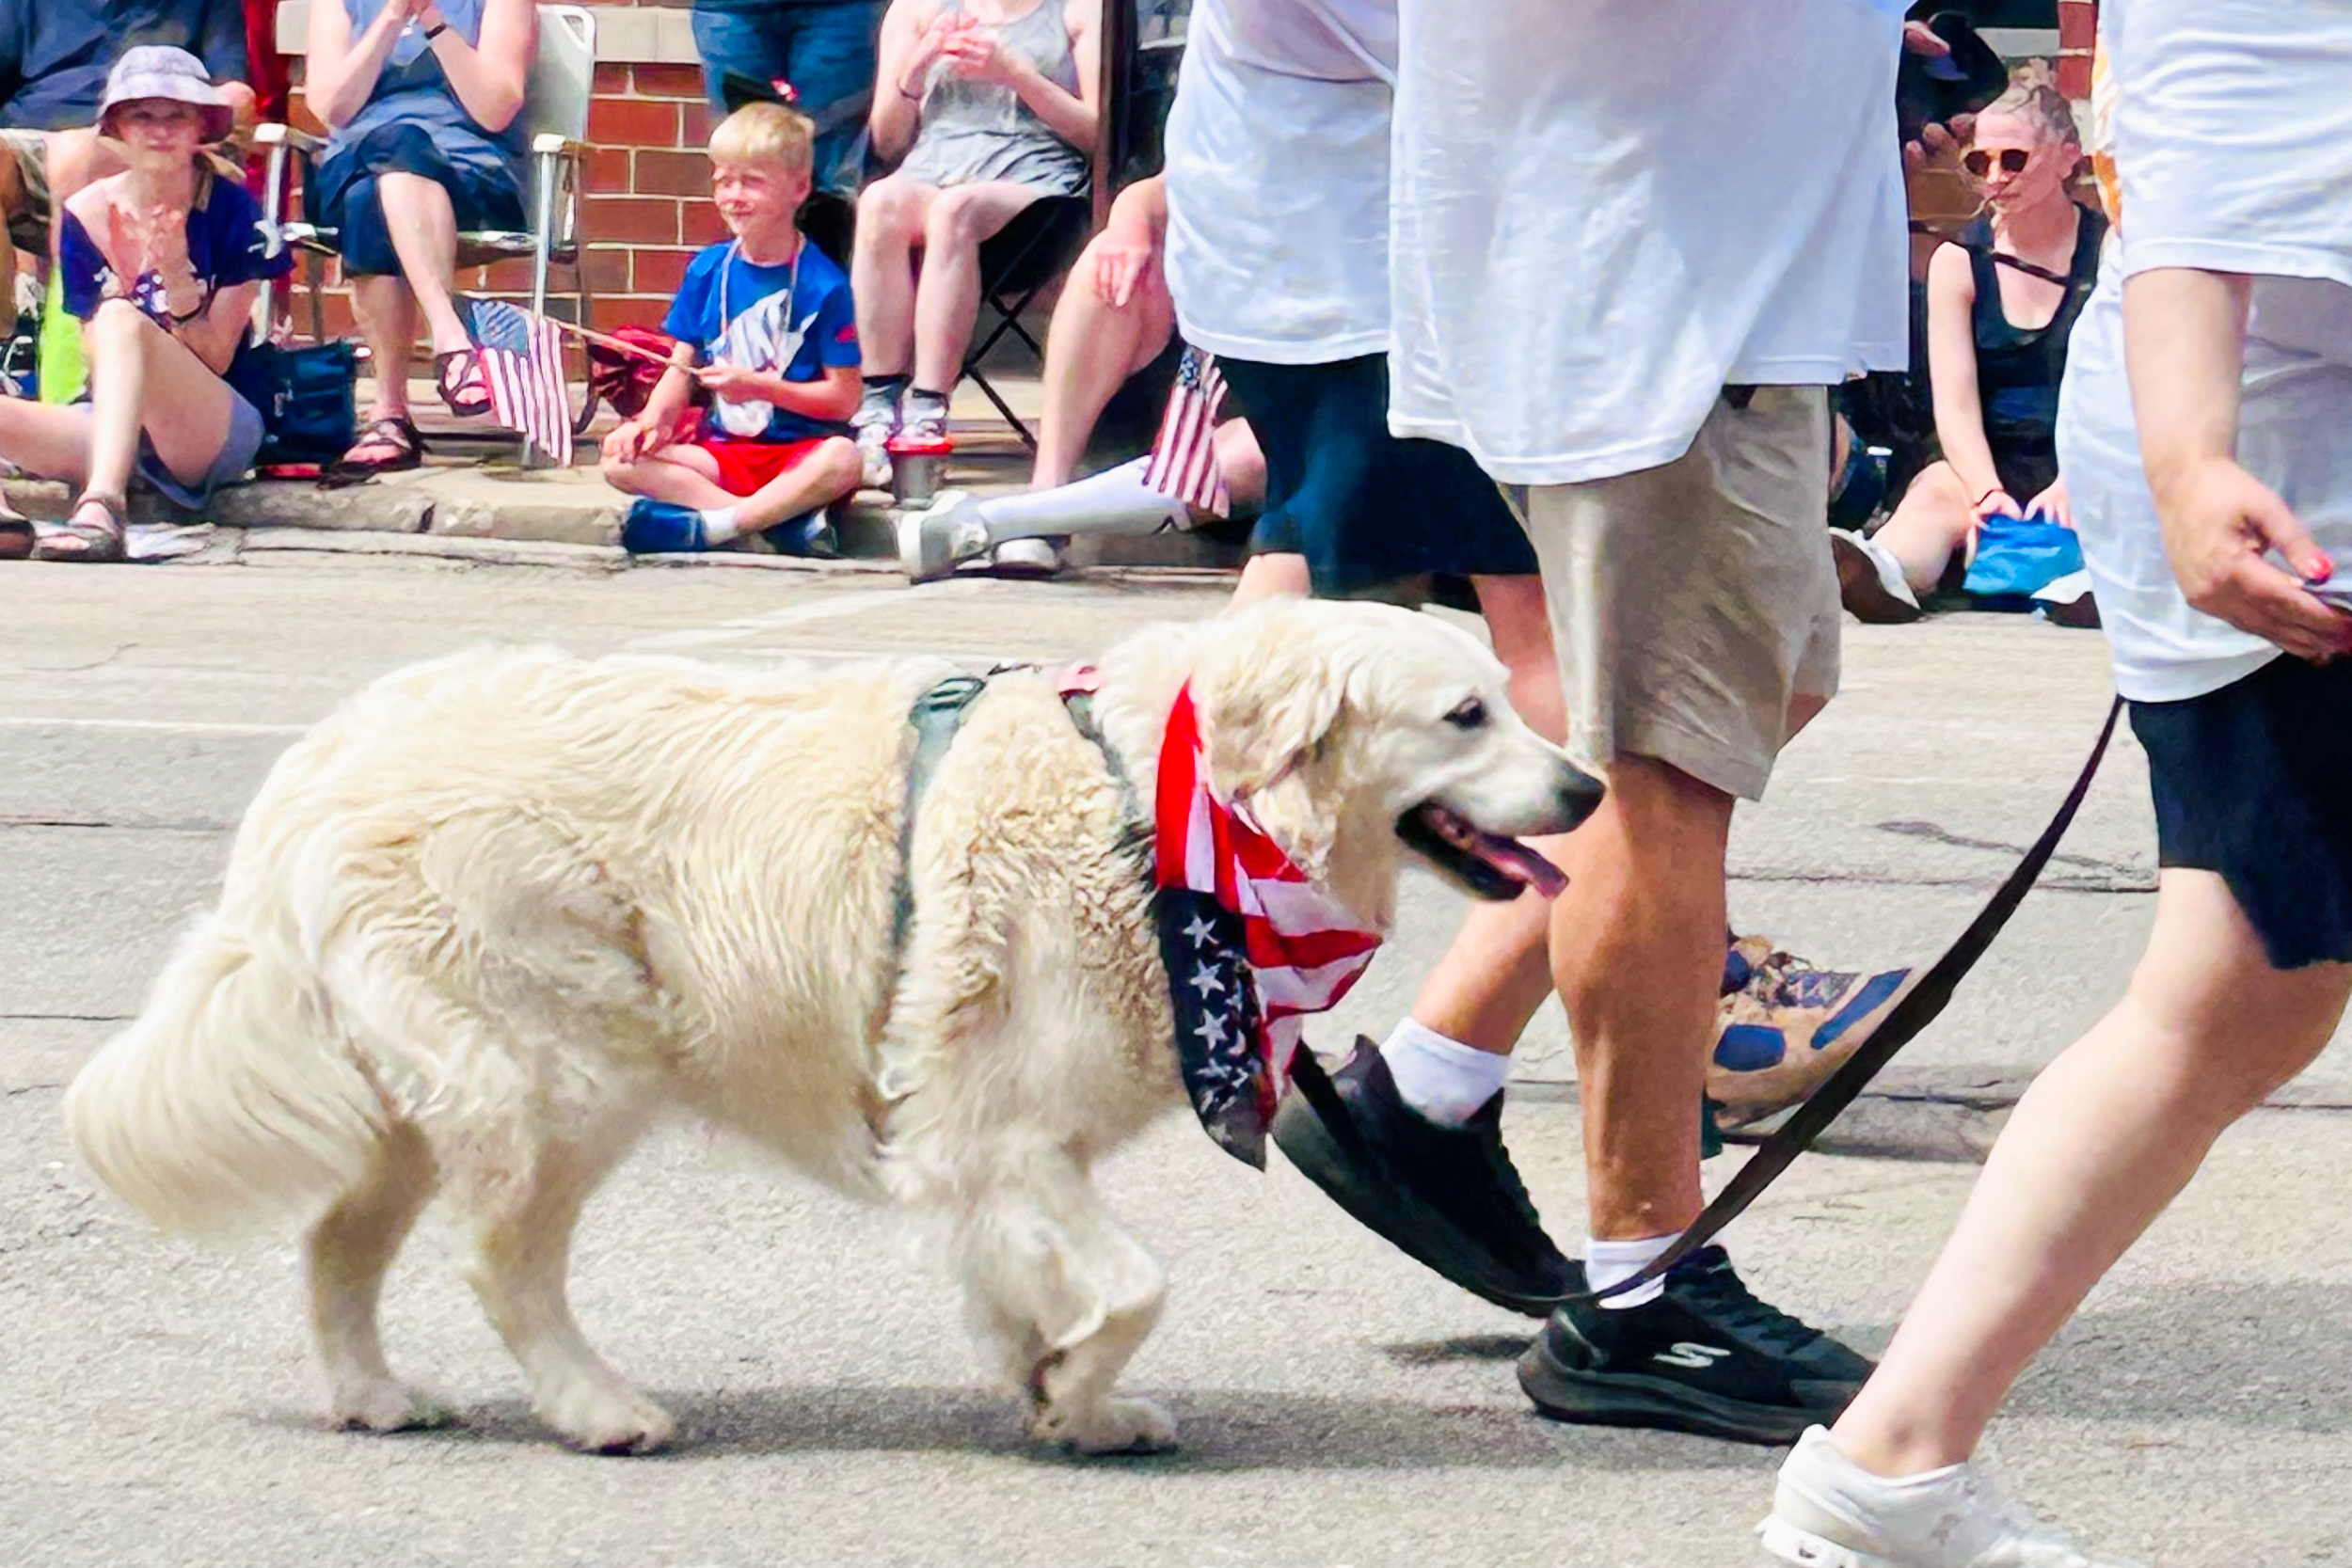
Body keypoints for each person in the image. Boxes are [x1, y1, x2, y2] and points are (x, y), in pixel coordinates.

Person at [1760, 4, 2352, 1561]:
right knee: (2235, 987)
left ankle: (1891, 1459)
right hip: (2288, 481)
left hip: (2264, 456)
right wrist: (2186, 461)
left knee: (2239, 987)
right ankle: (1889, 1460)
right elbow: (2200, 180)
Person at [1356, 0, 1930, 1442]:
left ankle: (1428, 1081)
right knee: (1663, 778)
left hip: (1710, 287)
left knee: (1749, 709)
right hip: (1660, 306)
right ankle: (1640, 1282)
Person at [1836, 62, 2106, 624]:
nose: (1996, 176)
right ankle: (1887, 570)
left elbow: (2128, 389)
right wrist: (1986, 492)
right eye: (1979, 162)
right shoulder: (1958, 262)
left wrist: (2077, 476)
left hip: (2087, 453)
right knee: (1937, 492)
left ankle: (2089, 583)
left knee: (2123, 495)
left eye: (2015, 159)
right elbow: (1954, 403)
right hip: (1984, 457)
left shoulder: (2106, 254)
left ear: (2066, 156)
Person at [901, 173, 1269, 578]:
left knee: (1259, 451)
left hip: (1295, 422)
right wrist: (1129, 228)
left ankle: (995, 521)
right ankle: (1049, 488)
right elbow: (1146, 196)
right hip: (1204, 381)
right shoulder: (1252, 132)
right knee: (1111, 258)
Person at [0, 46, 286, 563]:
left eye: (175, 114)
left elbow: (215, 359)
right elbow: (97, 359)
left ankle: (102, 504)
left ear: (201, 124)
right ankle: (8, 522)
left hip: (211, 427)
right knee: (110, 323)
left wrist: (175, 276)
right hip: (112, 423)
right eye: (141, 115)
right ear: (116, 128)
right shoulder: (88, 213)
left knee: (117, 315)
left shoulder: (231, 207)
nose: (159, 129)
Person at [848, 0, 1098, 485]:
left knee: (954, 210)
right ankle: (877, 406)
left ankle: (926, 410)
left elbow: (1097, 134)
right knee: (879, 202)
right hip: (933, 168)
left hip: (1036, 186)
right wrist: (916, 67)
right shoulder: (915, 10)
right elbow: (888, 143)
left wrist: (1017, 75)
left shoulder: (1082, 10)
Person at [601, 103, 863, 557]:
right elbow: (679, 368)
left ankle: (719, 526)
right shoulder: (708, 269)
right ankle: (773, 523)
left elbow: (844, 400)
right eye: (723, 180)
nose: (733, 195)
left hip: (797, 453)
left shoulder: (825, 285)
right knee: (617, 459)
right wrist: (648, 422)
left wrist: (759, 386)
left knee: (845, 458)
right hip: (722, 452)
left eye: (752, 182)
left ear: (799, 188)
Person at [302, 0, 534, 477]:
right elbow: (333, 108)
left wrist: (432, 19)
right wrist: (390, 18)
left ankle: (389, 415)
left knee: (375, 192)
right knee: (386, 154)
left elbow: (494, 109)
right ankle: (452, 339)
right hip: (353, 162)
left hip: (468, 172)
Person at [0, 1, 255, 303]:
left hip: (139, 142)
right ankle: (7, 338)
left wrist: (192, 126)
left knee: (76, 155)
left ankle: (69, 325)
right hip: (29, 141)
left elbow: (236, 93)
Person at [689, 0, 885, 204]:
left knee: (830, 166)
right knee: (745, 154)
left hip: (838, 10)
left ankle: (827, 234)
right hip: (731, 9)